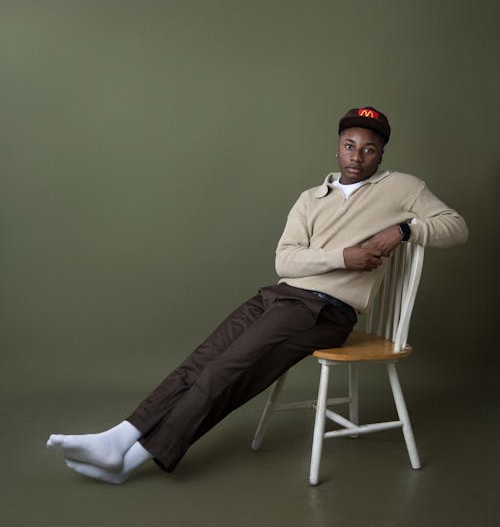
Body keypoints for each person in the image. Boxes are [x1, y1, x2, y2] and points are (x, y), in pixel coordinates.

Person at [46, 107, 468, 484]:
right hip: (278, 296)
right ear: (337, 148)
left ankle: (132, 460)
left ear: (381, 155)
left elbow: (456, 227)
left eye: (369, 150)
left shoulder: (403, 189)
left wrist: (404, 229)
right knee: (200, 362)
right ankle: (118, 437)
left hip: (326, 311)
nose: (357, 157)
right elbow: (285, 262)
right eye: (349, 145)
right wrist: (345, 256)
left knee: (224, 371)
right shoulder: (310, 199)